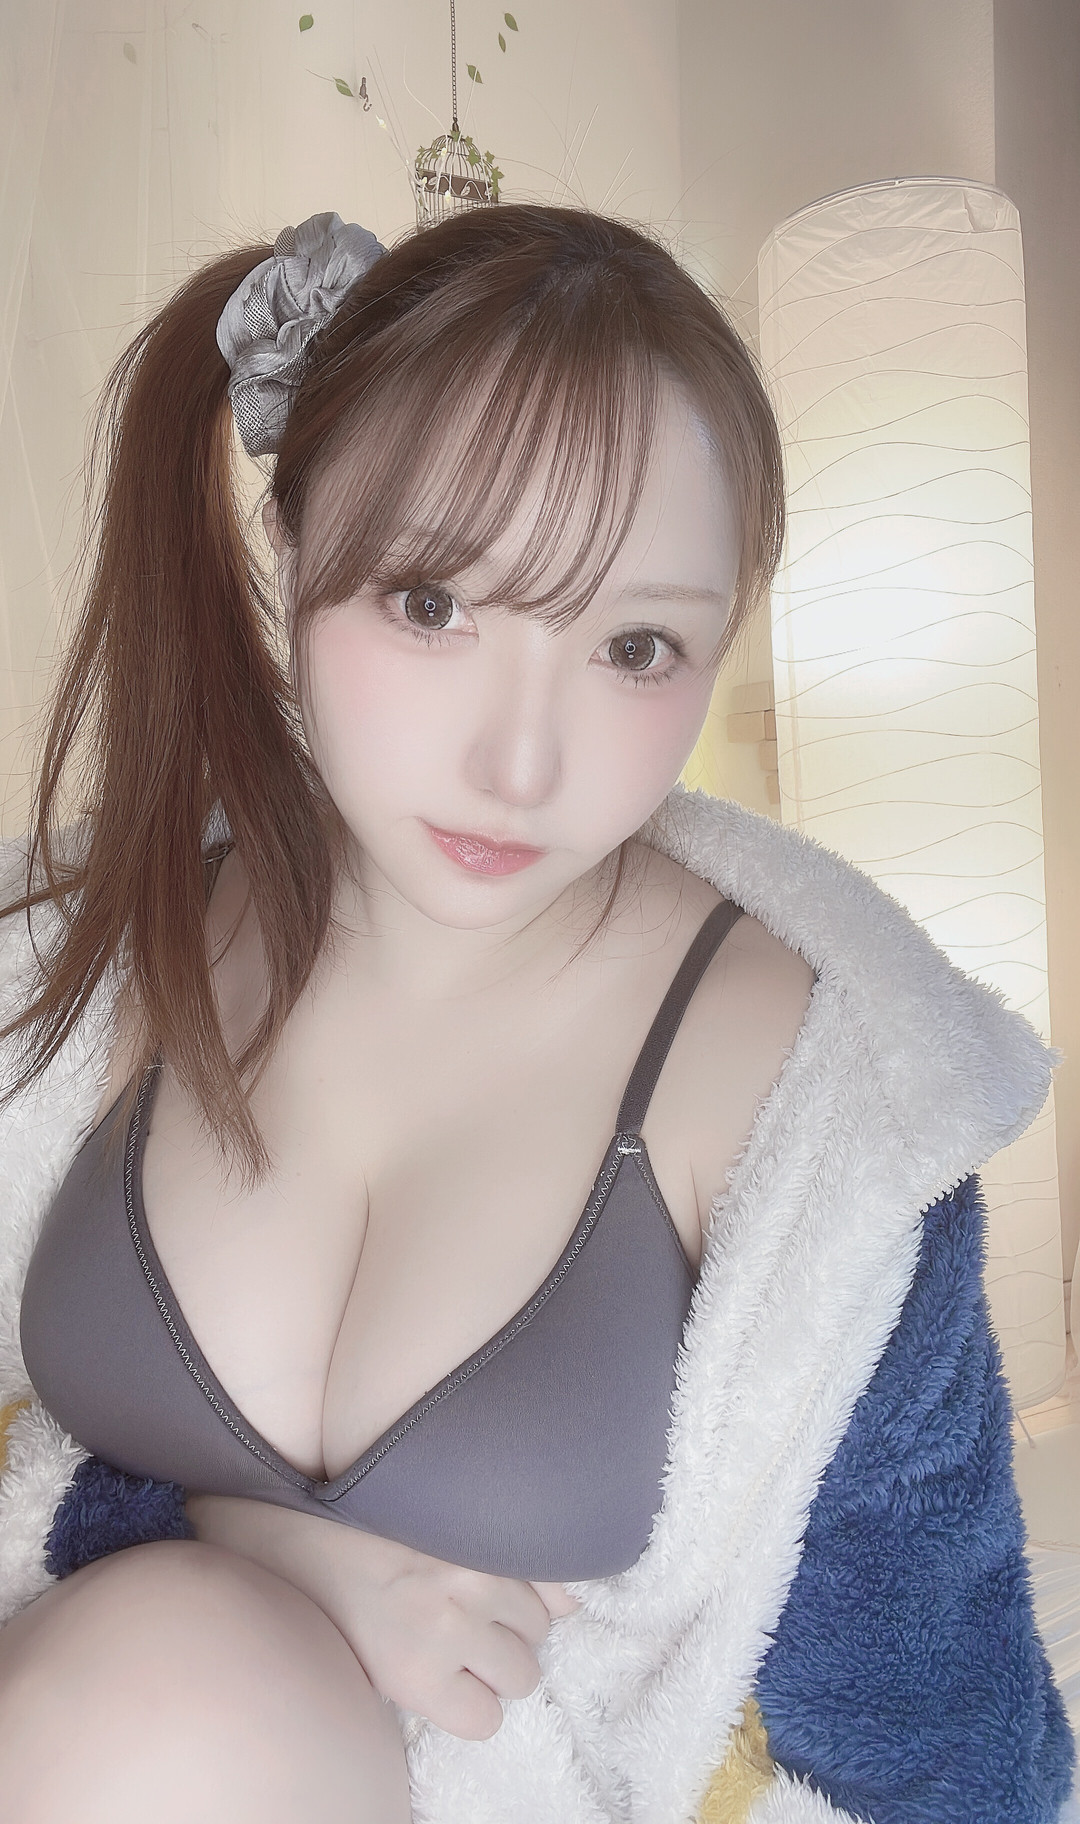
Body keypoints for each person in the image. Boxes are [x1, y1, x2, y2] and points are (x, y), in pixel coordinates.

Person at [0, 205, 1072, 1824]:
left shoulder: (819, 1112)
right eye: (432, 605)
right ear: (293, 542)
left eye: (635, 647)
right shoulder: (91, 948)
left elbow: (945, 1758)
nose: (519, 763)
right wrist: (268, 1551)